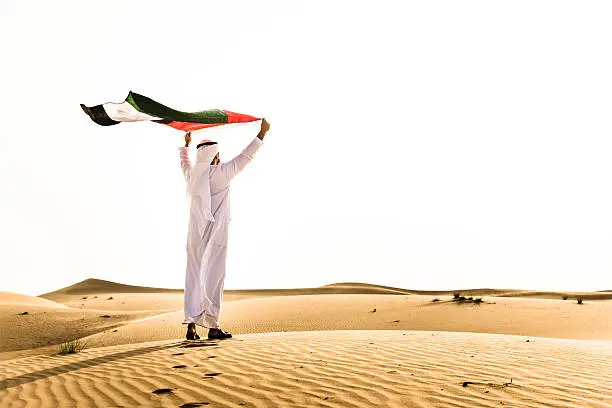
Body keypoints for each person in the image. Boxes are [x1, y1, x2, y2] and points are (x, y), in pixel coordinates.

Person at [178, 119, 270, 340]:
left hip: (195, 239)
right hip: (216, 238)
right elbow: (245, 157)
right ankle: (212, 327)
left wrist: (185, 146)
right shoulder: (222, 172)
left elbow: (184, 163)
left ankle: (191, 325)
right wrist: (262, 133)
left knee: (193, 277)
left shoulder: (193, 176)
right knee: (214, 277)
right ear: (215, 156)